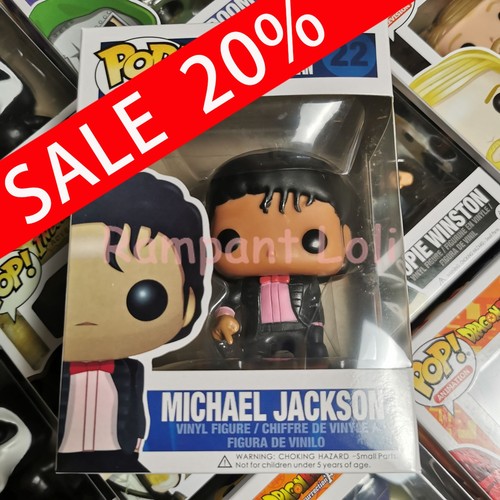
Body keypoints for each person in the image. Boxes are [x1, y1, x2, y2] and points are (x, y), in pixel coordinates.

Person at [57, 171, 208, 472]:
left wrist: (137, 439)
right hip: (60, 445)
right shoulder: (55, 369)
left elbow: (137, 408)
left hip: (117, 448)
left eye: (145, 297)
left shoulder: (133, 370)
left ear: (188, 305)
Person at [206, 150, 353, 361]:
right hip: (256, 335)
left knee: (316, 357)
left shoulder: (308, 283)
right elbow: (230, 301)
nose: (271, 251)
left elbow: (314, 307)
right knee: (254, 363)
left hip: (303, 330)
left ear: (345, 237)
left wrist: (316, 333)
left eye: (312, 238)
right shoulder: (246, 286)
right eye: (232, 239)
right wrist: (224, 317)